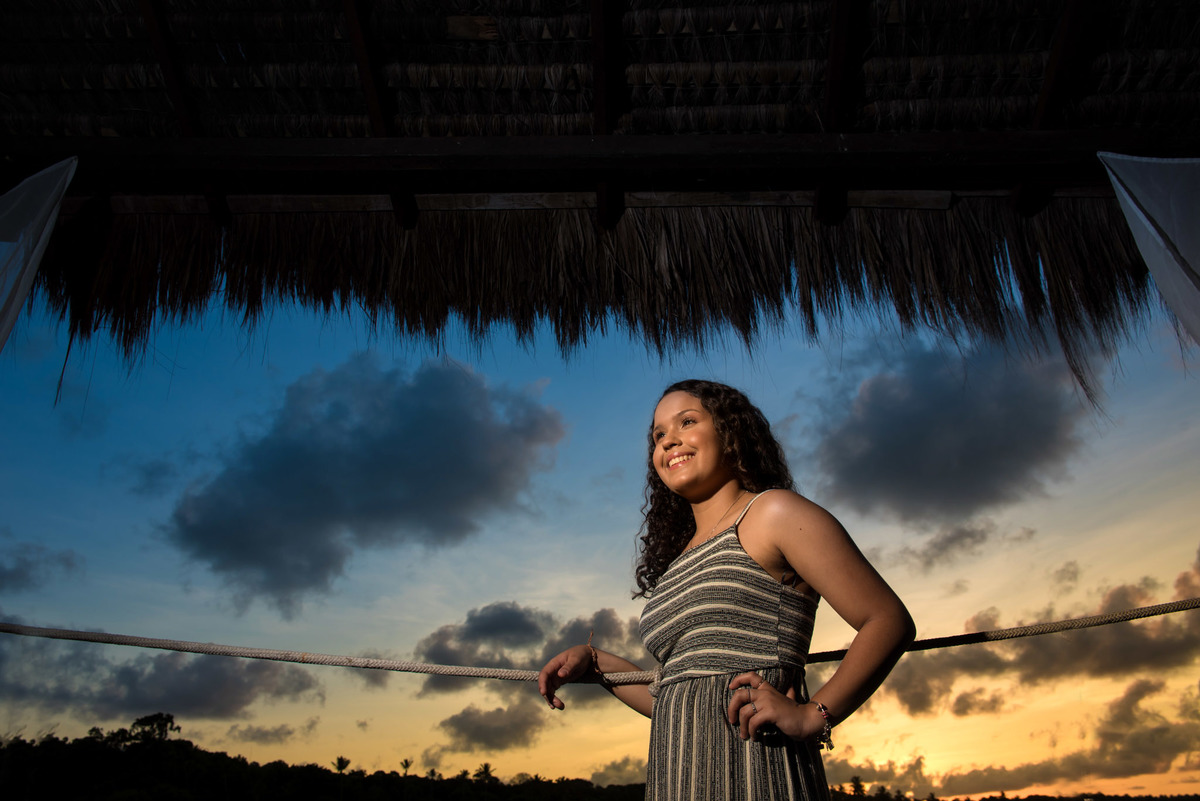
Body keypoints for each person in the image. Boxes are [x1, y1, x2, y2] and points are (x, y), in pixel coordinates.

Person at [538, 379, 915, 801]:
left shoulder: (773, 512)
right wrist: (595, 662)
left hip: (758, 770)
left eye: (687, 422)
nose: (668, 441)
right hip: (676, 775)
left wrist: (814, 715)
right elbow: (680, 695)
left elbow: (887, 620)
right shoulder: (679, 561)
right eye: (658, 434)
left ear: (729, 431)